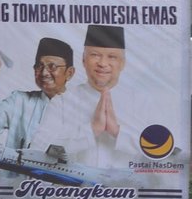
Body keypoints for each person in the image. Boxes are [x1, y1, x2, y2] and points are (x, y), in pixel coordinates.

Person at [33, 24, 162, 168]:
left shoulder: (142, 103)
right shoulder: (62, 102)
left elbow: (162, 155)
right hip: (73, 190)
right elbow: (37, 153)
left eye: (112, 57)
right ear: (83, 60)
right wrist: (91, 130)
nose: (103, 63)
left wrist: (118, 132)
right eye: (95, 55)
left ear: (123, 63)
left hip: (126, 189)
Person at [0, 37, 75, 150]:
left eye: (52, 67)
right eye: (39, 66)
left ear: (69, 73)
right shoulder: (20, 101)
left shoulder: (81, 109)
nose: (44, 73)